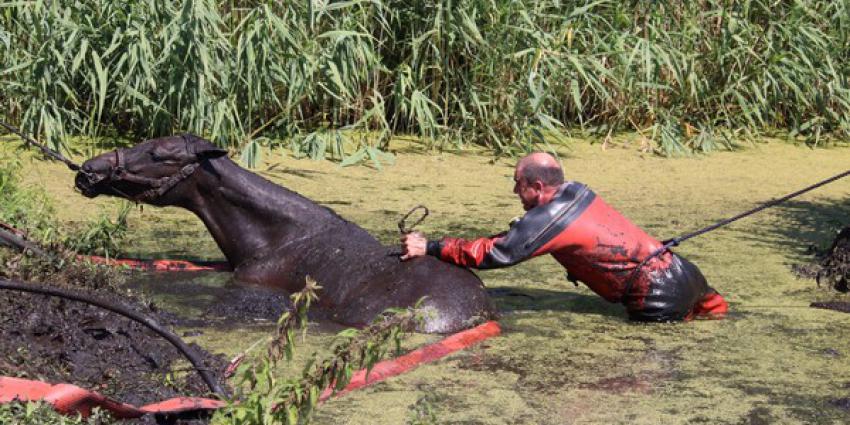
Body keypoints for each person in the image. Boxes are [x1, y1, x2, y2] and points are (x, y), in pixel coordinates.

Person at [400, 152, 727, 322]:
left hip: (656, 297)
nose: (515, 190)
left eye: (518, 183)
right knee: (722, 320)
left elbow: (497, 253)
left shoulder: (550, 219)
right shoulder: (576, 191)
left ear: (538, 187)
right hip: (687, 273)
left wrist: (431, 247)